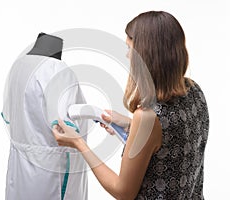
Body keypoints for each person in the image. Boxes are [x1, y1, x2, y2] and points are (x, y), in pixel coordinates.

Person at [52, 11, 209, 199]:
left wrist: (79, 143)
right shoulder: (194, 90)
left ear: (146, 56)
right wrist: (130, 124)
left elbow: (123, 191)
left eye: (129, 48)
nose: (127, 56)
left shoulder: (147, 117)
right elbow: (169, 143)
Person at [2, 33, 88, 200]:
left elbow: (10, 115)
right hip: (52, 168)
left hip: (19, 164)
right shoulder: (56, 70)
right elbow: (63, 125)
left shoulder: (18, 66)